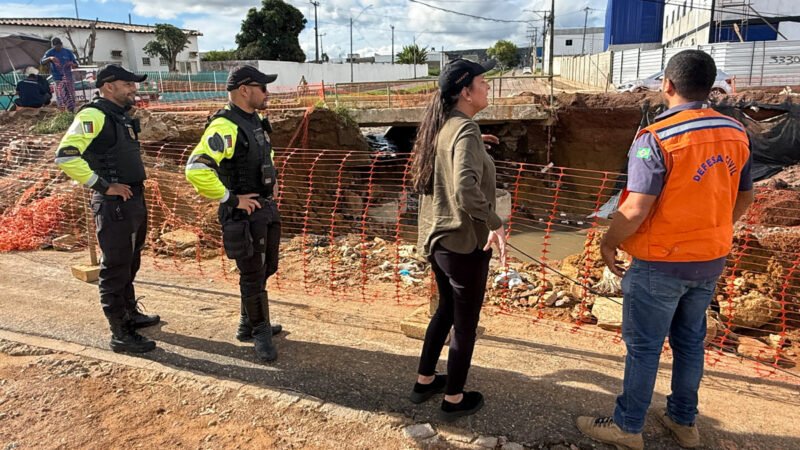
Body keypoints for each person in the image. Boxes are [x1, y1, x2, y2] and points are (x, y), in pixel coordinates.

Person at [576, 50, 754, 450]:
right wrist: (716, 226)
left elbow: (636, 207)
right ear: (709, 87)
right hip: (709, 261)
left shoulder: (655, 138)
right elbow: (745, 196)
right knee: (691, 344)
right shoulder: (735, 132)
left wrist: (609, 242)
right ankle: (683, 422)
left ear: (668, 85)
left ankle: (628, 426)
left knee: (644, 349)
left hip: (660, 262)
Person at [409, 58, 507, 422]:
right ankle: (453, 398)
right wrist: (495, 223)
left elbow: (452, 160)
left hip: (440, 243)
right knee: (464, 324)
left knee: (446, 310)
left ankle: (425, 380)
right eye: (483, 82)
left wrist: (476, 145)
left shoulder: (447, 127)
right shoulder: (462, 131)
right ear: (466, 91)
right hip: (464, 244)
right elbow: (465, 189)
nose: (487, 88)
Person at [55, 64, 160, 353]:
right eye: (128, 84)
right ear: (109, 86)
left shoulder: (118, 116)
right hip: (114, 204)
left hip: (131, 201)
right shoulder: (93, 115)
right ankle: (120, 333)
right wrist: (103, 185)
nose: (134, 89)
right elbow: (65, 156)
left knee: (130, 261)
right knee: (115, 268)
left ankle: (130, 314)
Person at [185, 65, 283, 362]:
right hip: (244, 215)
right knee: (252, 274)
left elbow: (264, 153)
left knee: (265, 269)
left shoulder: (255, 120)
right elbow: (197, 169)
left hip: (263, 209)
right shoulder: (224, 126)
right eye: (263, 87)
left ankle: (246, 324)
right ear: (244, 90)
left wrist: (273, 179)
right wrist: (231, 198)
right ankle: (260, 333)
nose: (267, 93)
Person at [41, 37, 78, 112]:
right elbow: (42, 62)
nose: (57, 48)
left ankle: (72, 110)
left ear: (61, 44)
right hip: (57, 78)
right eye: (55, 46)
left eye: (58, 46)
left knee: (71, 94)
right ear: (53, 46)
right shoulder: (50, 52)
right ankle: (62, 111)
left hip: (68, 77)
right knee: (60, 95)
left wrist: (72, 64)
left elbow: (76, 64)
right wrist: (50, 58)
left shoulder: (68, 52)